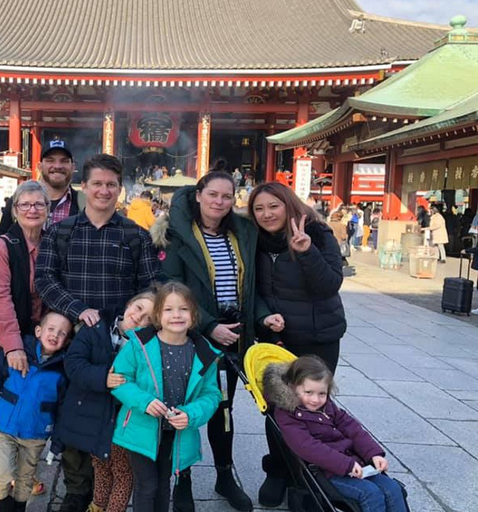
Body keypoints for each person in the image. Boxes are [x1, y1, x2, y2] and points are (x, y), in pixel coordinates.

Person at [35, 153, 163, 512]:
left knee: (112, 413)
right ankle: (78, 488)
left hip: (122, 342)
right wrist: (77, 310)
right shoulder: (61, 231)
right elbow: (44, 278)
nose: (103, 190)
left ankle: (111, 485)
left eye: (111, 184)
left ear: (119, 189)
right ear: (83, 187)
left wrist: (134, 316)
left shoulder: (135, 235)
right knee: (74, 411)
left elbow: (153, 286)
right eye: (97, 183)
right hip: (75, 337)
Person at [151, 169, 278, 511]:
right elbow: (172, 286)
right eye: (212, 195)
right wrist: (207, 326)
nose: (219, 202)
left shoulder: (242, 233)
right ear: (198, 195)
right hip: (190, 337)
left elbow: (251, 287)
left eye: (226, 196)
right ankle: (184, 479)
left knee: (222, 409)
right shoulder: (178, 235)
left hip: (233, 339)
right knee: (185, 407)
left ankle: (224, 473)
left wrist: (261, 316)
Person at [248, 182, 346, 508]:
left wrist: (306, 252)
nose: (266, 214)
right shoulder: (253, 242)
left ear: (288, 204)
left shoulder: (317, 233)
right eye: (259, 209)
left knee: (311, 406)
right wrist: (264, 318)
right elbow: (251, 287)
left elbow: (330, 284)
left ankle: (309, 475)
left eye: (273, 206)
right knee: (277, 409)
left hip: (318, 338)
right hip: (277, 339)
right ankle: (278, 470)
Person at [110, 282, 222, 512]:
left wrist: (191, 414)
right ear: (158, 315)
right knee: (147, 484)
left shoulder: (204, 352)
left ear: (194, 314)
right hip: (141, 429)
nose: (177, 315)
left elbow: (211, 394)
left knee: (163, 483)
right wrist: (144, 401)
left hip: (176, 432)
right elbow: (120, 381)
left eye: (183, 309)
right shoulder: (138, 345)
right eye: (169, 309)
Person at [0, 181, 50, 510]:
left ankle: (21, 474)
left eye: (39, 205)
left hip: (38, 339)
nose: (32, 210)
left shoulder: (51, 243)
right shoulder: (0, 247)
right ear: (14, 210)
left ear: (48, 210)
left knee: (27, 405)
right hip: (2, 339)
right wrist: (13, 346)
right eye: (25, 204)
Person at [264, 356, 407, 512]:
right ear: (293, 387)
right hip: (327, 472)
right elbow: (307, 447)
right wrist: (346, 464)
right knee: (371, 493)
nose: (315, 399)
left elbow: (353, 429)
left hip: (356, 464)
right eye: (309, 392)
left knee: (392, 488)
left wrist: (374, 454)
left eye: (322, 394)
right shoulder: (287, 414)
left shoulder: (328, 407)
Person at [55, 291, 156, 512]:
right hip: (96, 415)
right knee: (100, 464)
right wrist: (103, 377)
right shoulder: (97, 327)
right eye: (139, 308)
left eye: (149, 317)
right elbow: (73, 363)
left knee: (121, 471)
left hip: (123, 421)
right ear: (129, 304)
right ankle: (97, 506)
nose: (140, 317)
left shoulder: (149, 345)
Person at [0, 311, 73, 512]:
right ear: (38, 330)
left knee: (25, 477)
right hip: (4, 427)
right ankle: (1, 506)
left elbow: (64, 408)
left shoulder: (63, 369)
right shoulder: (16, 352)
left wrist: (58, 440)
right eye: (51, 329)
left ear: (67, 341)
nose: (55, 335)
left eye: (62, 333)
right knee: (1, 472)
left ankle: (19, 507)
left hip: (35, 433)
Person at [0, 138, 84, 235]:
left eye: (64, 161)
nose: (58, 166)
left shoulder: (84, 204)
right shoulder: (18, 202)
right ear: (39, 167)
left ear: (73, 167)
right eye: (50, 161)